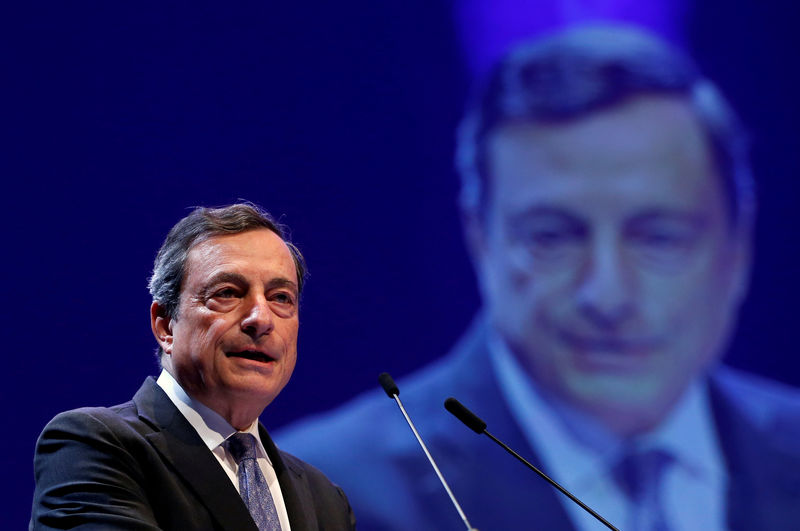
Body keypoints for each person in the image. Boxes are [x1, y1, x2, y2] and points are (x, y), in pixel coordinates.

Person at [275, 25, 800, 530]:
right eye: (552, 238)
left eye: (658, 238)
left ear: (738, 247)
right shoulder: (316, 495)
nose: (607, 294)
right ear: (479, 237)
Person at [30, 203, 356, 530]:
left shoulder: (324, 498)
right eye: (227, 293)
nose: (261, 318)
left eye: (281, 297)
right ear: (165, 325)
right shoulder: (94, 448)